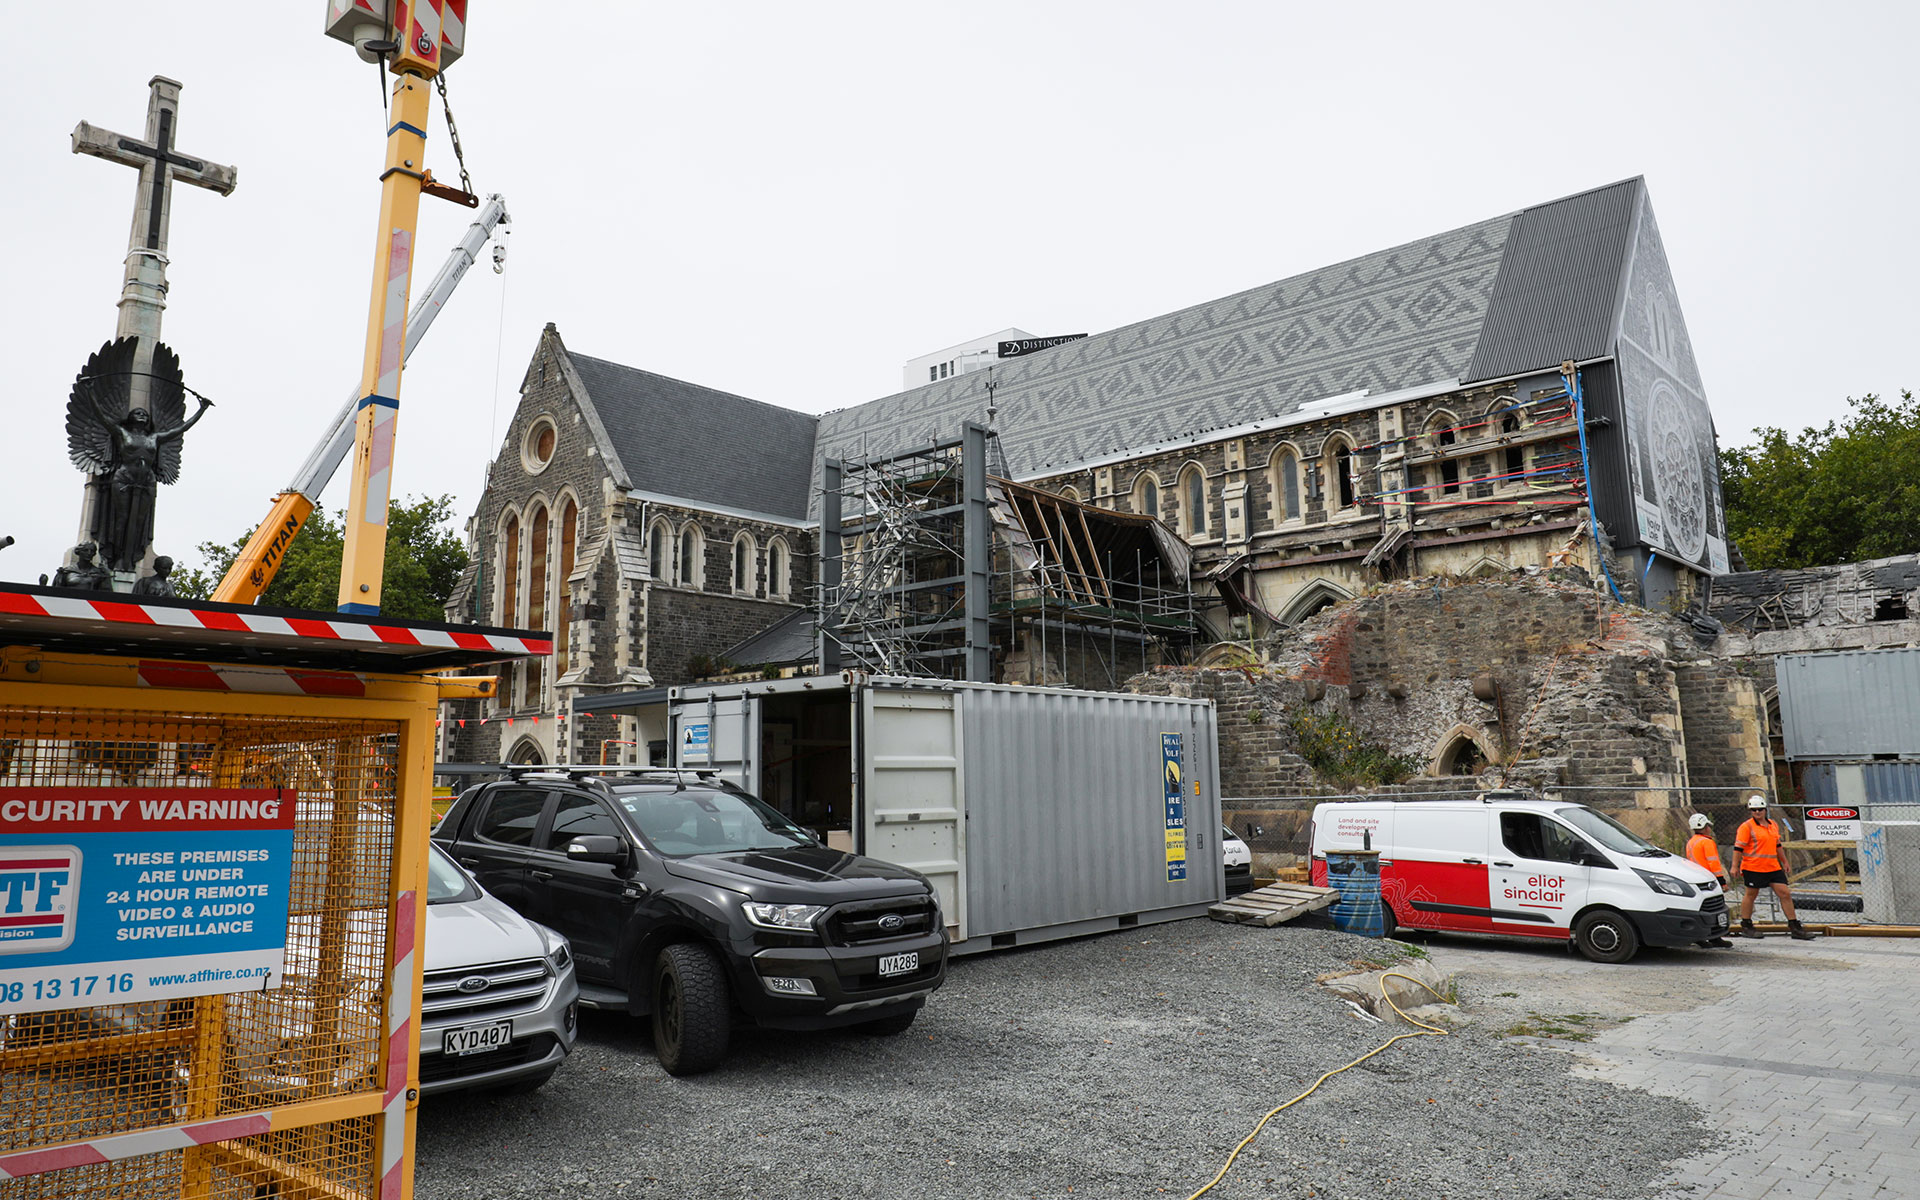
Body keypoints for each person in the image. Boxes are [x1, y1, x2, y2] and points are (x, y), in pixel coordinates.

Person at [1733, 795, 1816, 940]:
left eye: (1759, 809)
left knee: (1785, 893)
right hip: (1753, 867)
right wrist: (1734, 866)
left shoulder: (1773, 824)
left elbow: (1777, 845)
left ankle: (1794, 926)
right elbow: (1738, 848)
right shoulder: (1746, 827)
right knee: (1751, 895)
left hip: (1772, 867)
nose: (1757, 812)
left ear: (1765, 810)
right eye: (1754, 810)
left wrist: (1785, 861)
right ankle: (1746, 925)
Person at [1684, 812, 1734, 948]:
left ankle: (1700, 937)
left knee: (1699, 910)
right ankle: (1716, 937)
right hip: (1709, 881)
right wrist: (1722, 882)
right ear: (1706, 827)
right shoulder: (1707, 842)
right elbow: (1714, 864)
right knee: (1715, 910)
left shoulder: (1691, 842)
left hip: (1695, 879)